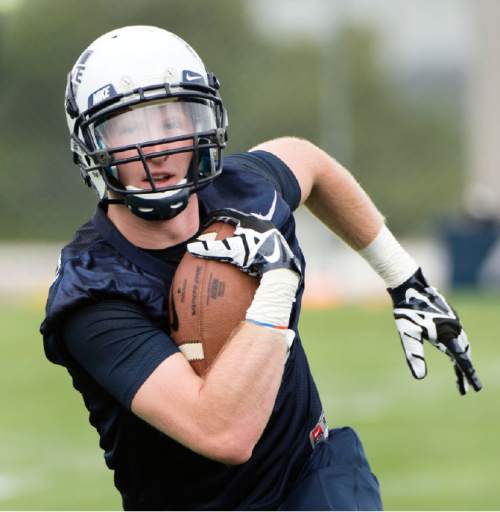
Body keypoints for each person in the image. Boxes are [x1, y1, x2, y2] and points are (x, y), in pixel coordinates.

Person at [40, 25, 482, 511]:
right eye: (129, 127)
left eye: (171, 122)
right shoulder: (94, 294)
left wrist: (402, 277)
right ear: (93, 143)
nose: (156, 146)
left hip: (310, 477)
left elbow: (307, 160)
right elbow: (224, 433)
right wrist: (277, 281)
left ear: (201, 124)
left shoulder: (244, 190)